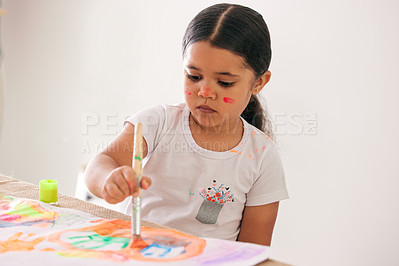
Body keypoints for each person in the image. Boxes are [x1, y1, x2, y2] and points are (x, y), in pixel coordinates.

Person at [84, 3, 288, 246]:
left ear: (258, 83)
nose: (204, 92)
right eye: (194, 76)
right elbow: (100, 164)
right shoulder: (156, 122)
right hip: (136, 254)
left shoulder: (262, 157)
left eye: (224, 82)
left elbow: (252, 250)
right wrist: (108, 179)